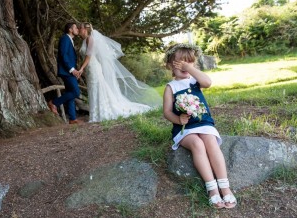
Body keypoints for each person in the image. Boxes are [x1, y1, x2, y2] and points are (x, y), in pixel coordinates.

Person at [163, 43, 237, 209]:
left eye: (189, 62)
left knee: (210, 141)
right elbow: (167, 112)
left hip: (204, 123)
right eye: (180, 62)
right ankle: (212, 188)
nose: (184, 65)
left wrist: (190, 68)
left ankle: (224, 187)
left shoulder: (195, 80)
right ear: (170, 65)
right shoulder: (171, 87)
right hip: (185, 129)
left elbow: (208, 82)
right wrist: (178, 119)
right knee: (197, 144)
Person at [77, 22, 161, 122]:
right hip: (89, 69)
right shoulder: (84, 41)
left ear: (85, 30)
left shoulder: (90, 39)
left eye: (79, 28)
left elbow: (89, 55)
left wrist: (81, 68)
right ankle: (95, 114)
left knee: (97, 87)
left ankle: (101, 112)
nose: (78, 30)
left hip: (93, 67)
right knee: (93, 88)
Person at [48, 22, 82, 124]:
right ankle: (53, 103)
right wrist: (72, 70)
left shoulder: (70, 40)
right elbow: (63, 55)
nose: (77, 30)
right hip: (67, 71)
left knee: (69, 93)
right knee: (76, 92)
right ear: (70, 29)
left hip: (69, 71)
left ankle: (72, 118)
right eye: (76, 28)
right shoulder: (65, 38)